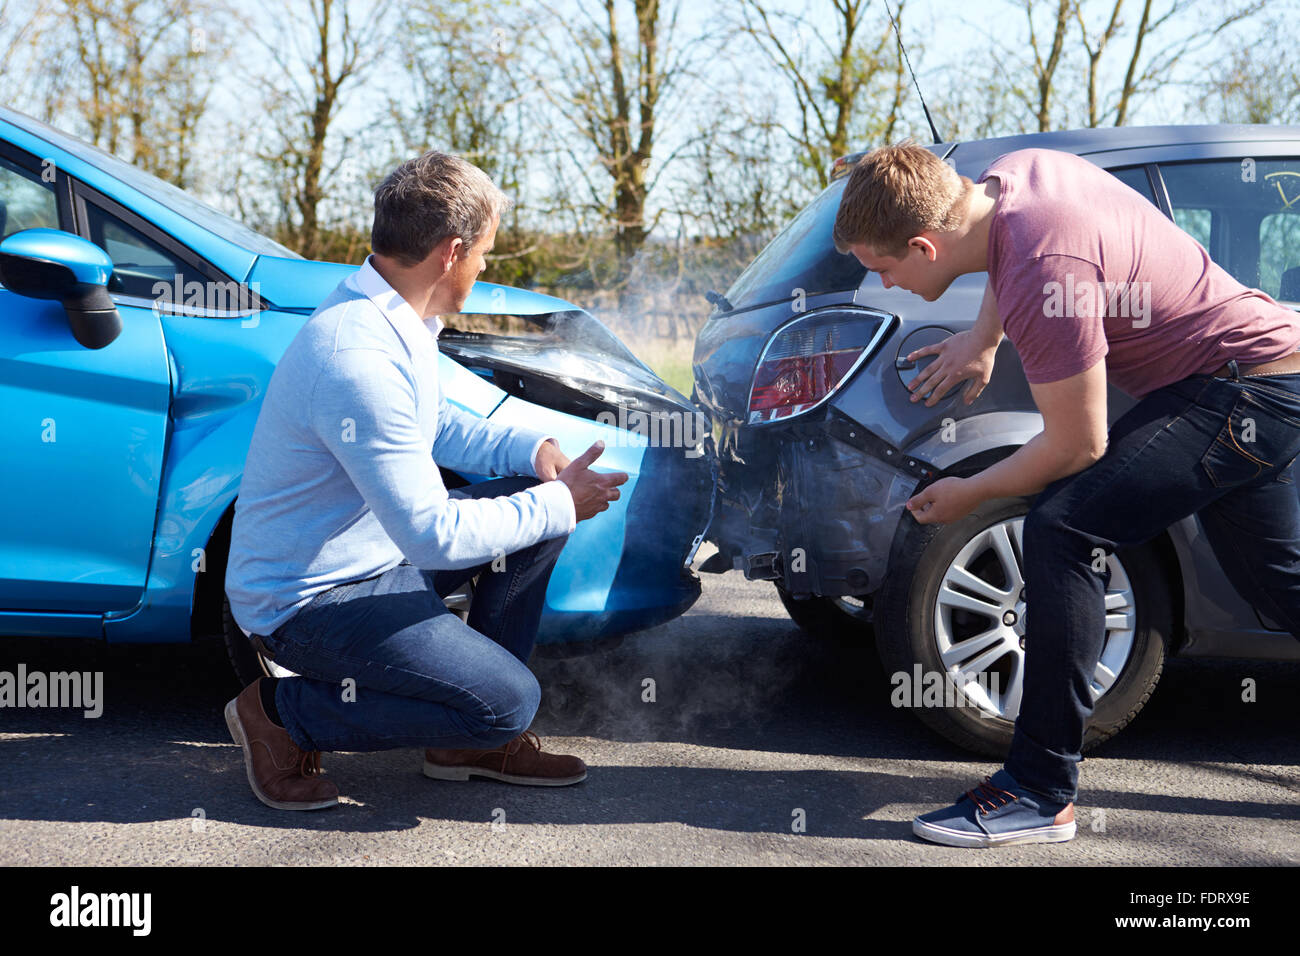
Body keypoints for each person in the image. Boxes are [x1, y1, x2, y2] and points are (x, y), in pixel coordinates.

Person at [833, 141, 1300, 847]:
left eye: (885, 268)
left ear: (925, 245)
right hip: (1263, 374)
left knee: (1063, 529)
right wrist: (984, 338)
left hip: (1240, 390)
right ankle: (1038, 786)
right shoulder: (1012, 180)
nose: (887, 283)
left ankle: (1038, 789)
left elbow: (1078, 445)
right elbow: (1007, 249)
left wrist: (972, 494)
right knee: (1282, 585)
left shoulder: (1043, 264)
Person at [223, 150, 627, 810]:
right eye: (486, 254)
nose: (485, 267)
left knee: (533, 516)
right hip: (309, 602)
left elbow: (435, 422)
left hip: (375, 561)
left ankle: (464, 741)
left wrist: (534, 450)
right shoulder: (357, 356)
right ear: (452, 252)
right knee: (508, 702)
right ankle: (280, 713)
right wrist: (559, 503)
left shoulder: (391, 314)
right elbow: (434, 535)